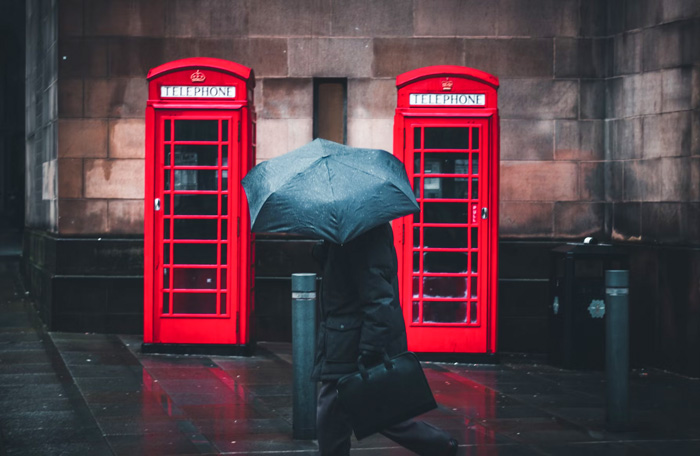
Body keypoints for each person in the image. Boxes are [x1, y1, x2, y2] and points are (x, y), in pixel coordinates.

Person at [312, 223, 458, 456]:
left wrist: (370, 348)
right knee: (370, 413)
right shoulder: (345, 232)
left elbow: (379, 297)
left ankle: (440, 445)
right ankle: (440, 446)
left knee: (338, 414)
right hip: (343, 337)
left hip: (354, 341)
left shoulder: (364, 232)